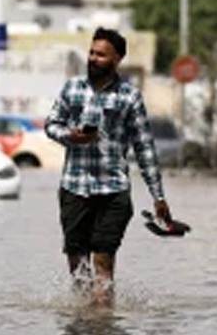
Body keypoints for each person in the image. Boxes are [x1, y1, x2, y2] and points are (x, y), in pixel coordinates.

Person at [44, 27, 173, 306]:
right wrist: (70, 136)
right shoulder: (72, 88)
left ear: (117, 59)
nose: (93, 58)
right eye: (91, 53)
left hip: (113, 191)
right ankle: (82, 320)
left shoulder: (129, 97)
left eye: (101, 55)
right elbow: (51, 124)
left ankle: (103, 321)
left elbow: (144, 148)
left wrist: (158, 196)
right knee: (78, 267)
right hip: (74, 188)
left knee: (103, 262)